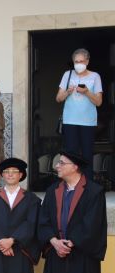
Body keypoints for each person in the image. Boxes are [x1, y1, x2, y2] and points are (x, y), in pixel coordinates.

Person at [55, 49, 103, 181]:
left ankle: (87, 186)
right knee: (70, 156)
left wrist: (87, 92)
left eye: (81, 61)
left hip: (88, 122)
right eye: (76, 62)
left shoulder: (95, 76)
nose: (78, 64)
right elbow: (58, 98)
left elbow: (99, 102)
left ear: (87, 61)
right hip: (70, 121)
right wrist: (67, 92)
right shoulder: (67, 74)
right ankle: (70, 184)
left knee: (87, 154)